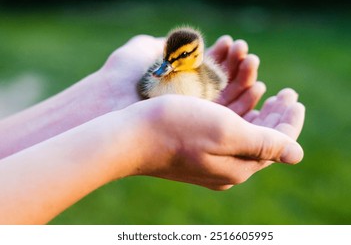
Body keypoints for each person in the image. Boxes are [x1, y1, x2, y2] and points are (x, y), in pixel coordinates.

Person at [0, 34, 305, 224]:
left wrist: (96, 99)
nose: (165, 65)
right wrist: (139, 139)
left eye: (179, 58)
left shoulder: (195, 76)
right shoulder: (162, 74)